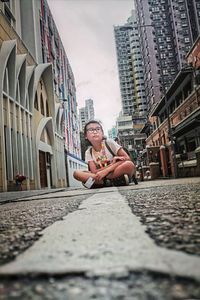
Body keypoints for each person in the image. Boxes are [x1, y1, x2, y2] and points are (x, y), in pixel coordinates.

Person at [73, 120, 135, 188]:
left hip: (114, 171)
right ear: (86, 136)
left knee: (129, 165)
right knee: (76, 174)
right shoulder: (88, 152)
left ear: (102, 133)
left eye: (98, 129)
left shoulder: (109, 143)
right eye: (91, 129)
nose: (95, 131)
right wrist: (111, 164)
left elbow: (127, 158)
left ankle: (101, 182)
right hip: (99, 175)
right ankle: (113, 181)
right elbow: (94, 171)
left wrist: (106, 171)